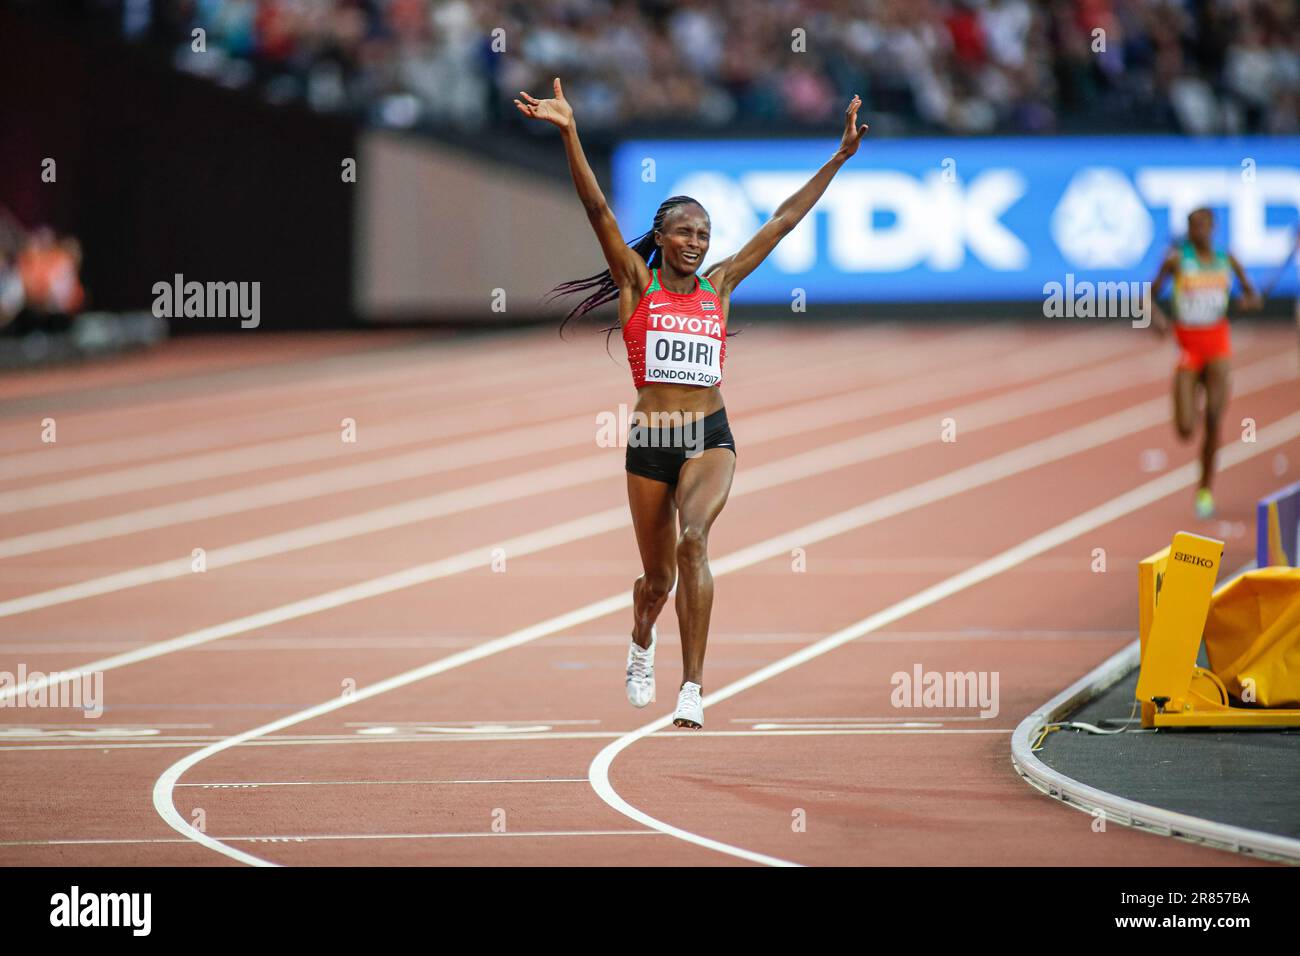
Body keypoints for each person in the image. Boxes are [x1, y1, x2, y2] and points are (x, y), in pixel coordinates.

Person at [516, 77, 869, 727]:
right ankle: (642, 638)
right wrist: (570, 133)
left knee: (696, 541)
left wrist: (839, 158)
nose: (698, 242)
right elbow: (596, 210)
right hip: (651, 443)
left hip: (710, 436)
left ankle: (694, 688)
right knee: (657, 582)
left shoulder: (723, 282)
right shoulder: (635, 279)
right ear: (662, 234)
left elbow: (784, 220)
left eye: (705, 233)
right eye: (685, 232)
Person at [1150, 207, 1261, 518]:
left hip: (1217, 347)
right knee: (1186, 429)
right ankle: (1191, 406)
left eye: (1204, 225)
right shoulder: (1176, 260)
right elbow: (1147, 296)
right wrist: (1157, 320)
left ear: (1213, 227)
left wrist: (1246, 302)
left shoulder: (1227, 260)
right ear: (1188, 229)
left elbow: (1253, 297)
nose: (1198, 230)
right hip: (1187, 347)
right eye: (1193, 225)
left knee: (1214, 419)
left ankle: (1204, 489)